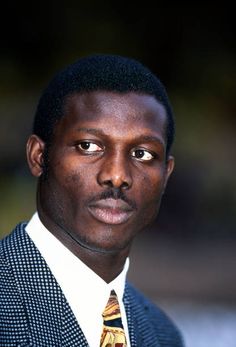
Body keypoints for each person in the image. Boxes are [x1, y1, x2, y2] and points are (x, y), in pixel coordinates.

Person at [0, 54, 184, 347]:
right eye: (88, 146)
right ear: (38, 157)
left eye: (142, 154)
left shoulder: (163, 334)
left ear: (166, 174)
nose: (117, 175)